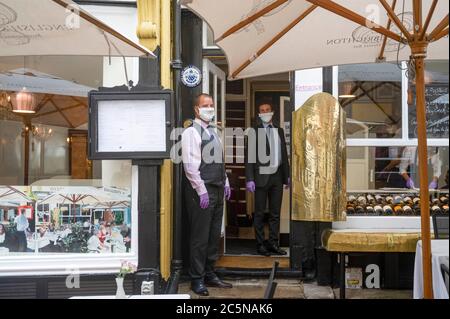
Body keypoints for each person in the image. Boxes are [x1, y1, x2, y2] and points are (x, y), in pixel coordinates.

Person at [182, 93, 233, 296]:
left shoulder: (213, 131)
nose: (210, 108)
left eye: (212, 105)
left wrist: (226, 182)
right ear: (196, 109)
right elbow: (190, 166)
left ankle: (210, 273)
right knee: (200, 238)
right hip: (201, 191)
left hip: (217, 189)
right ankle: (197, 279)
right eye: (205, 105)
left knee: (213, 236)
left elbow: (219, 161)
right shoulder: (190, 132)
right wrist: (202, 191)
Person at [245, 101, 290, 256]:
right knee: (259, 213)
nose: (265, 112)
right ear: (259, 114)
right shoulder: (253, 132)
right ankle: (260, 245)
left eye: (267, 110)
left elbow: (284, 155)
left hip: (277, 177)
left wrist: (287, 176)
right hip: (260, 177)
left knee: (275, 213)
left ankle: (273, 244)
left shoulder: (279, 131)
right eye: (262, 110)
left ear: (272, 112)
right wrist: (249, 178)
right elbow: (249, 157)